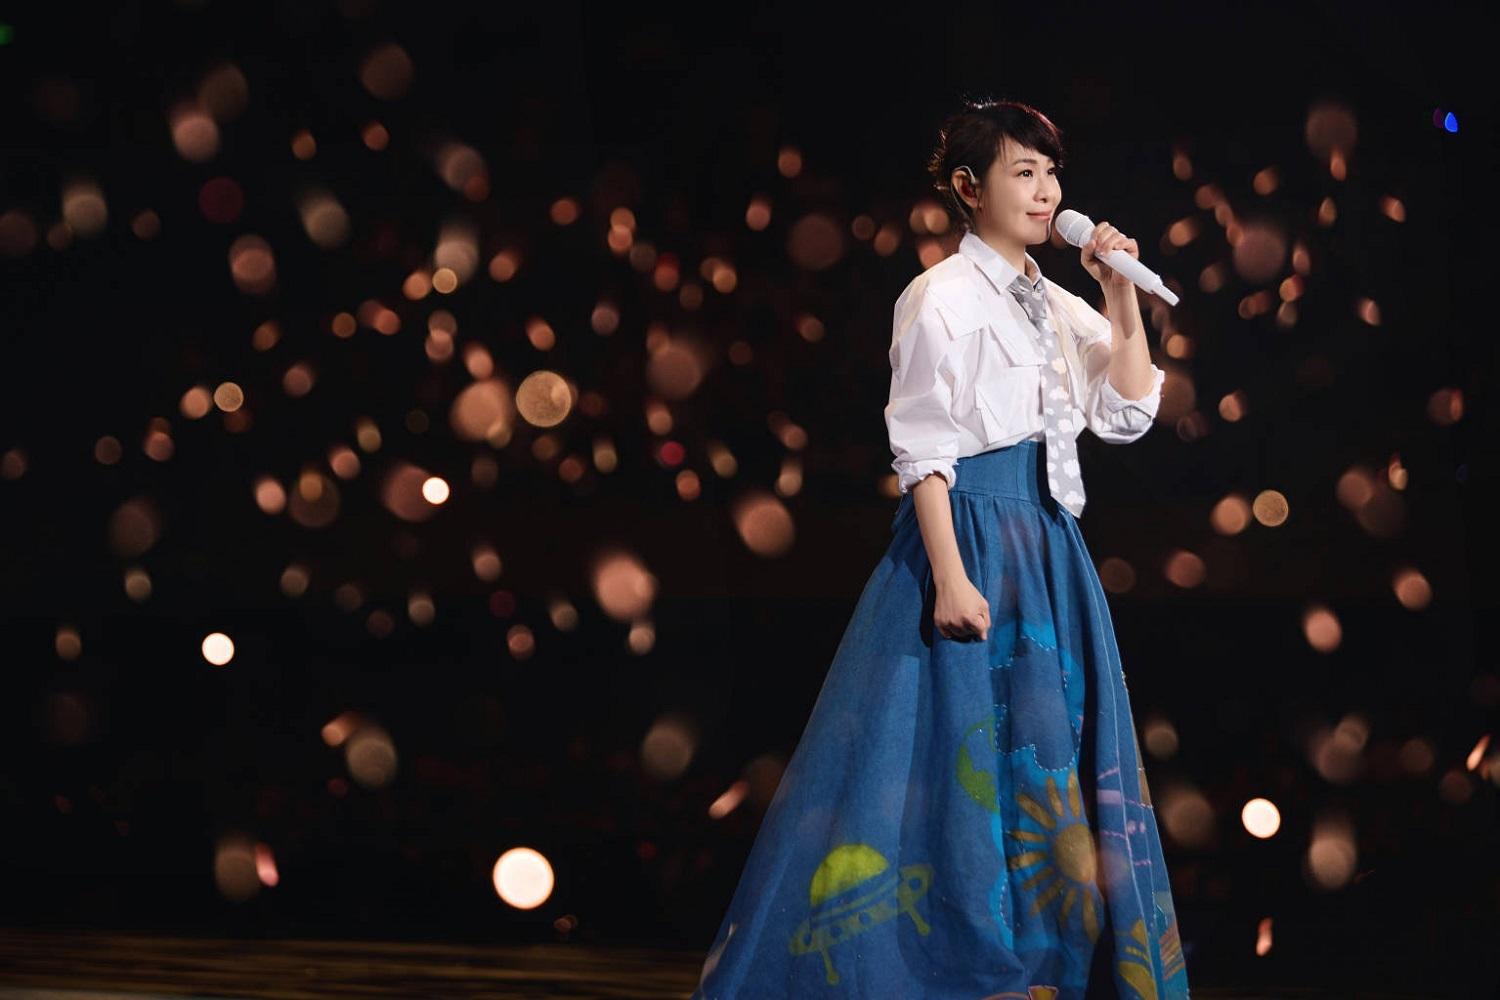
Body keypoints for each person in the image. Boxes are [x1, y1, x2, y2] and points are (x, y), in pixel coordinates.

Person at [693, 99, 1190, 999]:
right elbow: (923, 450)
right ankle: (942, 967)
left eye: (1051, 172)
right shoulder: (939, 295)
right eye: (1022, 172)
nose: (1044, 191)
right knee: (944, 757)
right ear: (969, 187)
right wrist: (951, 579)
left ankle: (1048, 967)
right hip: (969, 536)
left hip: (1049, 547)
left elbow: (1126, 413)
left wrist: (1118, 293)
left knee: (1045, 761)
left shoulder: (1057, 302)